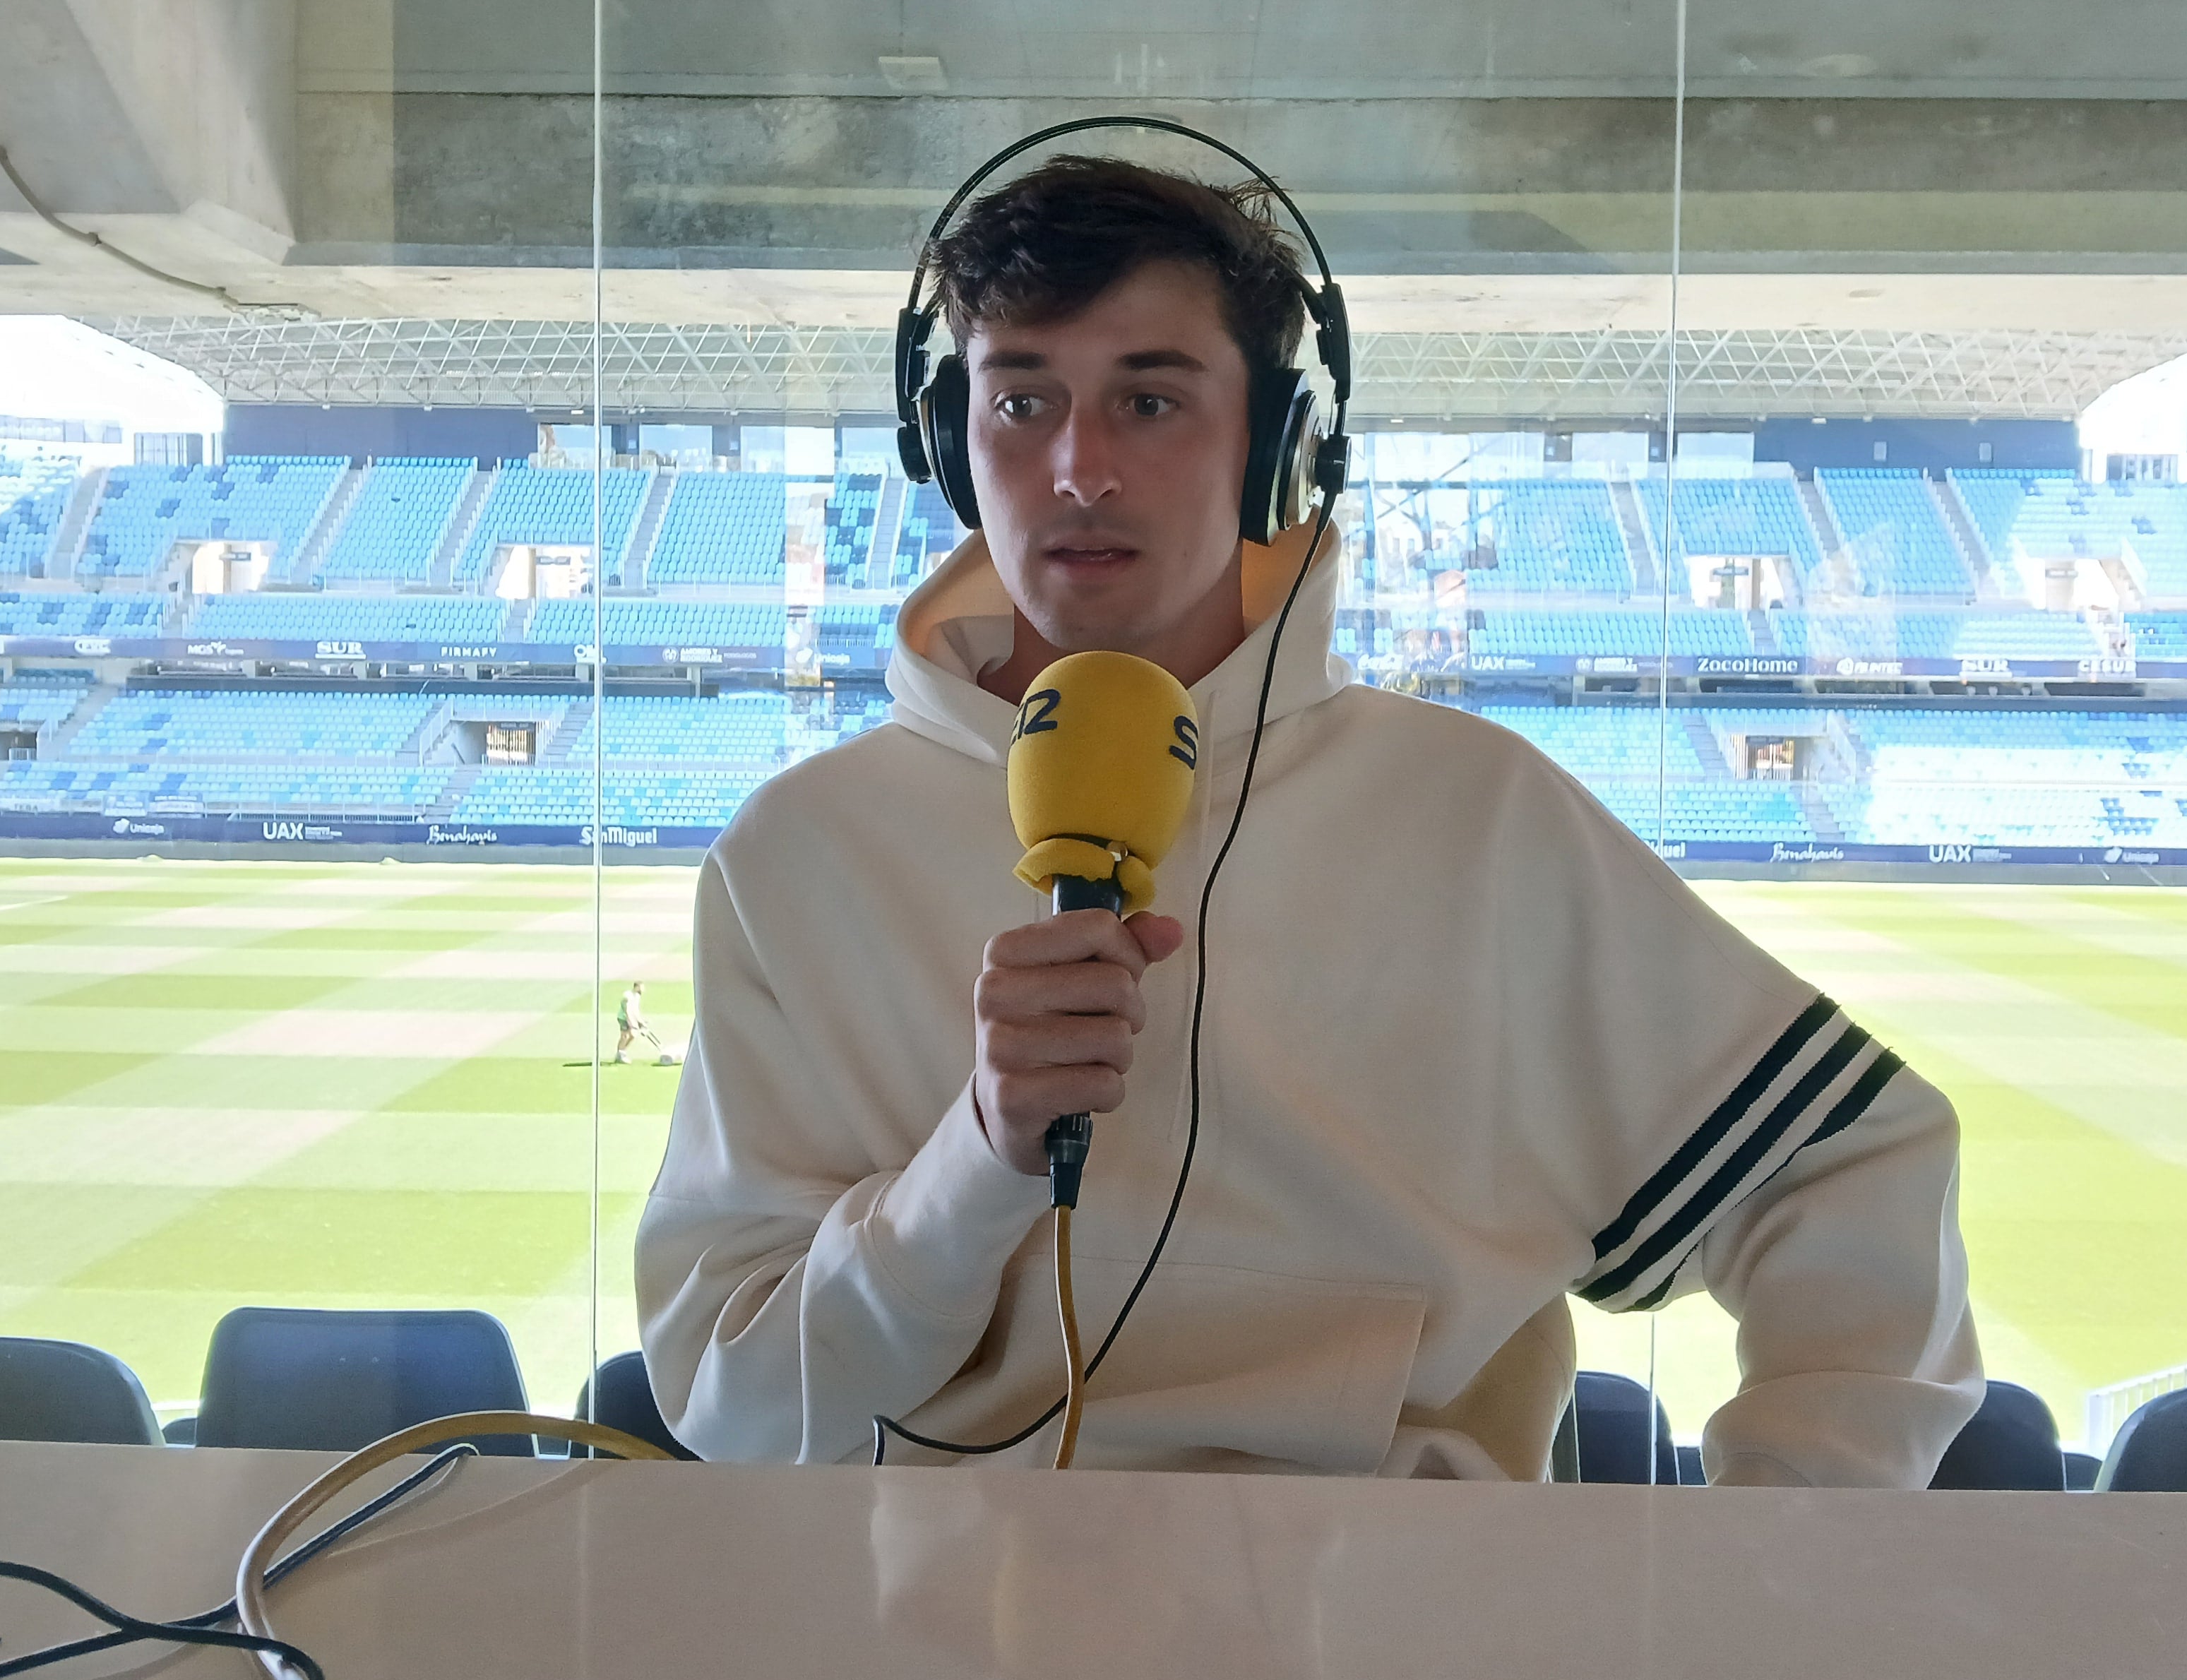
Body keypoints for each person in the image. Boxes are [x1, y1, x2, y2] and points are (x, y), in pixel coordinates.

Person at [636, 154, 1982, 1479]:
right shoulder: (797, 856)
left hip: (1405, 1661)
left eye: (1150, 402)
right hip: (946, 1656)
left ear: (1280, 444)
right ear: (948, 438)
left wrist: (1793, 1549)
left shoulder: (1477, 817)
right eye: (1023, 400)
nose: (1078, 469)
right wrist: (975, 1157)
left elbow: (1847, 1166)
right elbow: (736, 1408)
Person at [614, 979, 670, 1065]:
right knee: (625, 1036)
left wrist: (641, 1022)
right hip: (623, 1018)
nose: (642, 990)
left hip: (631, 1018)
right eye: (641, 988)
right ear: (636, 987)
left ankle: (622, 1052)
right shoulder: (627, 995)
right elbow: (627, 1010)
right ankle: (621, 1055)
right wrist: (631, 1022)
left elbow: (636, 1011)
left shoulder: (637, 996)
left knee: (633, 1035)